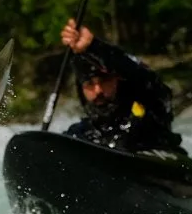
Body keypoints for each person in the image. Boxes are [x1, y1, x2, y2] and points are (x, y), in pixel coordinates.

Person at [59, 19, 181, 154]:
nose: (98, 90)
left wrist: (93, 47)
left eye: (104, 81)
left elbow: (141, 76)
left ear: (118, 79)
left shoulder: (150, 107)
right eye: (90, 84)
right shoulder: (81, 134)